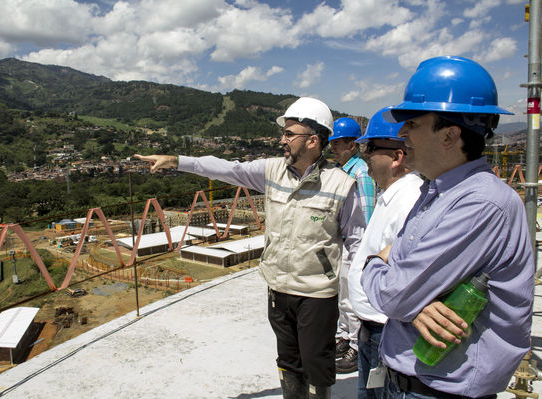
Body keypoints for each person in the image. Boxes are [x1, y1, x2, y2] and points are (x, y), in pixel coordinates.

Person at [135, 97, 366, 399]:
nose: (281, 140)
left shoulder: (341, 184)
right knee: (288, 361)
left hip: (316, 293)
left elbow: (358, 243)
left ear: (313, 140)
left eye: (289, 134)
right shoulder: (271, 171)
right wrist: (177, 160)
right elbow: (226, 169)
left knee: (316, 363)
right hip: (278, 288)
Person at [361, 56, 534, 398]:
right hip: (411, 383)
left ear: (451, 135)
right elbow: (404, 290)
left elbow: (395, 293)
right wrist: (415, 302)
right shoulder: (436, 191)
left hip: (439, 391)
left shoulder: (481, 203)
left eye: (412, 122)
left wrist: (373, 264)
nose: (401, 133)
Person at [347, 106, 423, 399]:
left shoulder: (409, 200)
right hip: (372, 328)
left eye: (371, 147)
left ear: (397, 157)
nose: (365, 155)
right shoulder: (390, 195)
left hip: (386, 329)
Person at [328, 117, 376, 373]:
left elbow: (367, 212)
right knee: (342, 297)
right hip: (343, 243)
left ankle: (356, 347)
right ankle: (344, 336)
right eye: (333, 143)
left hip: (355, 244)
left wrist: (365, 251)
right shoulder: (341, 171)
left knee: (352, 296)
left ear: (353, 145)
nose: (334, 147)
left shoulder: (361, 172)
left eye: (339, 143)